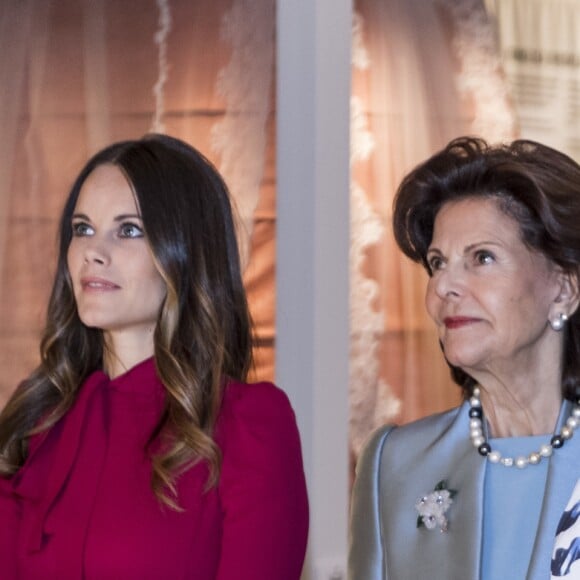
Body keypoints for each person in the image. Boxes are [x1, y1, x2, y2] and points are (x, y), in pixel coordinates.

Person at [0, 134, 309, 579]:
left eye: (128, 230)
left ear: (185, 252)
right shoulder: (36, 419)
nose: (93, 252)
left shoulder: (248, 423)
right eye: (82, 229)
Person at [349, 136, 580, 580]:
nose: (442, 288)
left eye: (482, 258)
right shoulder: (395, 463)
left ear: (564, 289)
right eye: (437, 262)